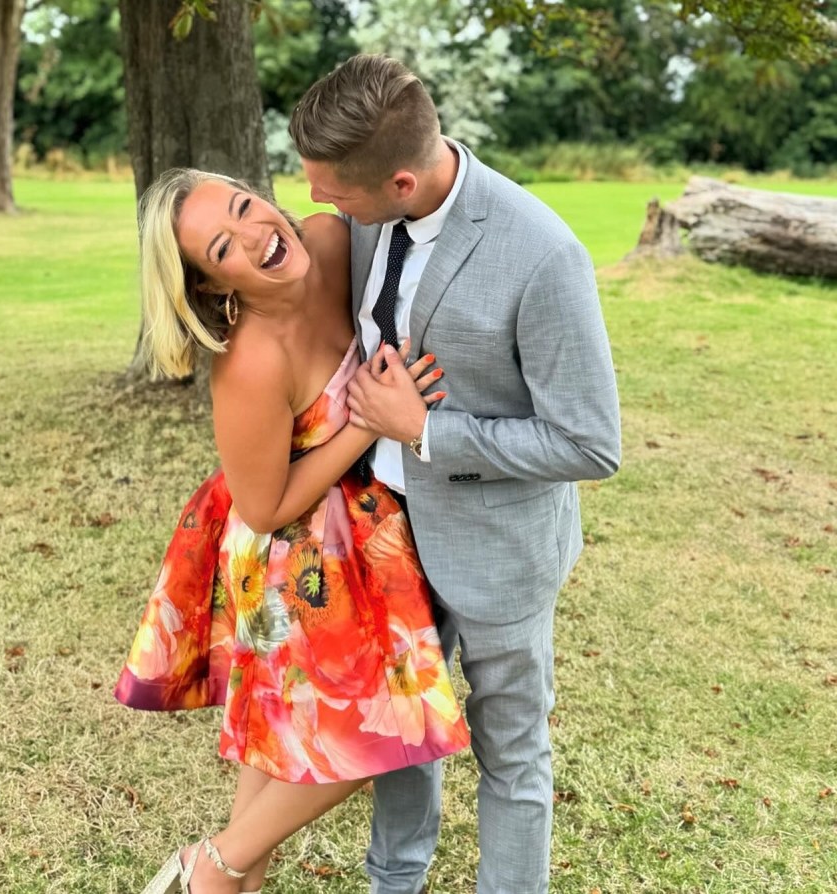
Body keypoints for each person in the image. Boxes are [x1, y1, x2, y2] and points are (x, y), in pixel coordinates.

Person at [288, 54, 622, 893]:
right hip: (385, 538)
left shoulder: (544, 255)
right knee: (401, 730)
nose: (322, 208)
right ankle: (392, 882)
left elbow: (590, 444)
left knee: (511, 750)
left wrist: (429, 430)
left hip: (500, 550)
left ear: (402, 180)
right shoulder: (365, 215)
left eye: (337, 195)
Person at [113, 168, 471, 894]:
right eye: (224, 248)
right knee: (380, 730)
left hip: (368, 532)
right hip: (289, 557)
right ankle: (209, 867)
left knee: (278, 744)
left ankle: (226, 878)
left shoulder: (332, 241)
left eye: (247, 209)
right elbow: (263, 507)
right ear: (215, 288)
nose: (255, 237)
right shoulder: (249, 362)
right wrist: (366, 421)